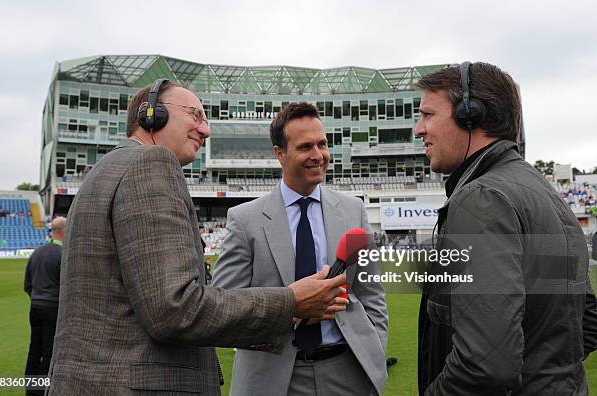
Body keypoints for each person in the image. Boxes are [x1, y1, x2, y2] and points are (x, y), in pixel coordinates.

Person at [48, 80, 348, 395]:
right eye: (195, 115)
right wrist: (291, 302)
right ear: (152, 114)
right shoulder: (152, 163)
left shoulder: (103, 171)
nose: (204, 130)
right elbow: (175, 309)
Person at [414, 62, 597, 395]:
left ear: (471, 114)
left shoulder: (482, 198)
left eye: (428, 115)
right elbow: (588, 322)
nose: (418, 129)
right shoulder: (544, 192)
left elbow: (485, 366)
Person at [212, 102, 388, 395]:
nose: (318, 156)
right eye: (306, 146)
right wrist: (290, 307)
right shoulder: (244, 220)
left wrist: (375, 349)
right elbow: (225, 307)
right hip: (272, 378)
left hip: (347, 372)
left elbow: (372, 295)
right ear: (279, 153)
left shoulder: (353, 210)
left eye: (322, 144)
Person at [24, 216, 65, 396]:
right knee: (49, 350)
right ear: (64, 231)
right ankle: (41, 390)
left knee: (34, 348)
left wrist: (36, 297)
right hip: (53, 307)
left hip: (36, 306)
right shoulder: (63, 254)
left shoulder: (36, 252)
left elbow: (27, 284)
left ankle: (30, 388)